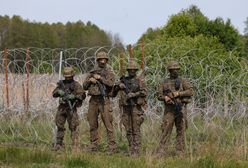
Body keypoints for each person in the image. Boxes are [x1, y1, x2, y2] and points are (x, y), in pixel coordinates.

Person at [156, 61, 193, 156]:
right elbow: (159, 95)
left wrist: (178, 94)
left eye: (177, 69)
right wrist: (165, 98)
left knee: (181, 129)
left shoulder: (182, 81)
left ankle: (179, 151)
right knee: (166, 130)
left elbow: (190, 91)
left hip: (180, 108)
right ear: (170, 70)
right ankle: (161, 151)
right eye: (173, 70)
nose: (175, 71)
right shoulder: (164, 82)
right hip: (169, 110)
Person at [83, 51, 116, 153]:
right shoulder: (92, 72)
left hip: (104, 100)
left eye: (104, 59)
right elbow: (84, 86)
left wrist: (100, 78)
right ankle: (94, 145)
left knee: (108, 123)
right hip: (93, 100)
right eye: (100, 59)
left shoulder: (109, 73)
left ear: (106, 60)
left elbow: (111, 84)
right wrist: (90, 81)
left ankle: (112, 146)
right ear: (97, 60)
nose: (102, 61)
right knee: (92, 123)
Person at [112, 61, 147, 156]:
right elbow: (112, 94)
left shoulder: (140, 80)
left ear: (136, 70)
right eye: (130, 70)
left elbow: (144, 92)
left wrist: (134, 94)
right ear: (128, 70)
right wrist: (118, 87)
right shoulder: (123, 80)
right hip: (126, 107)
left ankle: (136, 150)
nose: (132, 71)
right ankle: (131, 148)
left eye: (133, 70)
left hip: (136, 107)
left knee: (136, 129)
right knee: (128, 128)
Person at [52, 67, 86, 151]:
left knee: (73, 126)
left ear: (72, 76)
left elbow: (82, 95)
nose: (67, 78)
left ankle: (75, 144)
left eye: (69, 76)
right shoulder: (61, 84)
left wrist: (74, 96)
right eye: (66, 77)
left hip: (71, 107)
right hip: (62, 108)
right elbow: (54, 94)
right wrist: (59, 92)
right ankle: (59, 144)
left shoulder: (76, 85)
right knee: (59, 125)